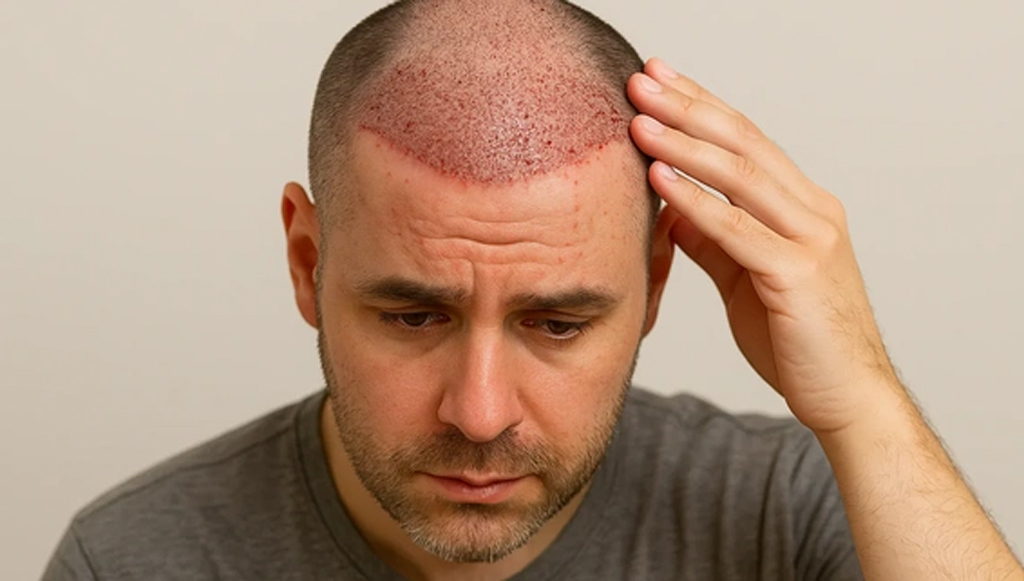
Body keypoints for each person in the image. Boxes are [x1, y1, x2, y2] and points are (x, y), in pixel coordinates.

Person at [42, 1, 1023, 580]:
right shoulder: (130, 559)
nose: (479, 412)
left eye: (556, 322)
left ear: (655, 279)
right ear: (307, 264)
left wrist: (865, 404)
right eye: (412, 315)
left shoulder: (786, 511)